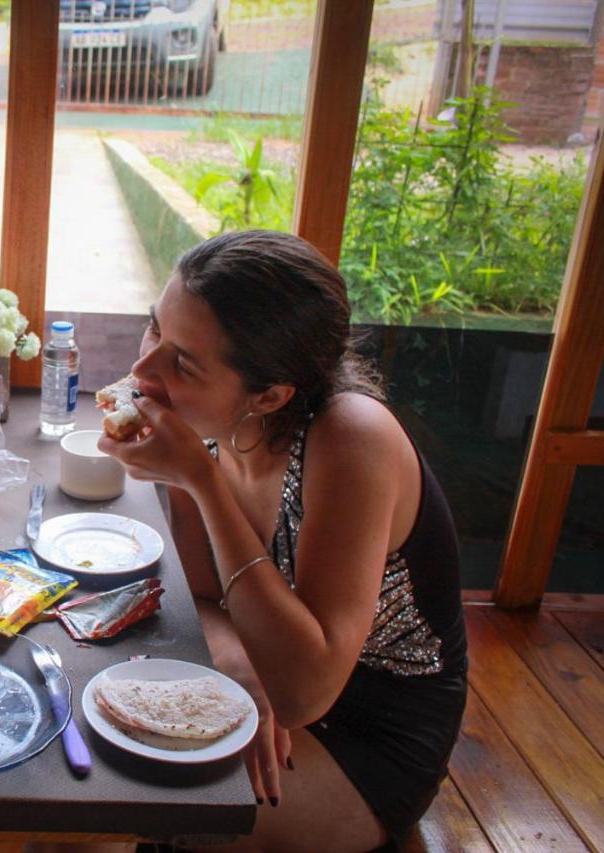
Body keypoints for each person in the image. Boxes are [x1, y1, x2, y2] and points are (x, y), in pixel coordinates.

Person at [100, 231, 467, 852]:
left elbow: (304, 692)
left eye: (183, 362)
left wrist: (201, 481)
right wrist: (242, 673)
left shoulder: (351, 440)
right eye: (154, 329)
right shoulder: (208, 418)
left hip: (371, 731)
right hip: (273, 676)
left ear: (269, 396)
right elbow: (206, 599)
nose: (143, 370)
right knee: (81, 766)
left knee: (117, 800)